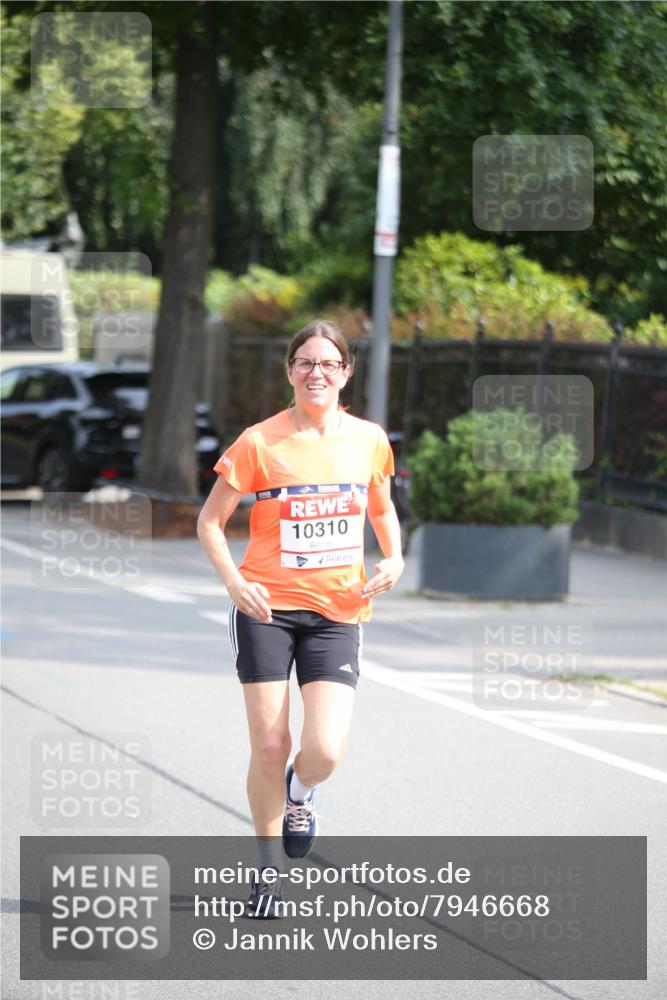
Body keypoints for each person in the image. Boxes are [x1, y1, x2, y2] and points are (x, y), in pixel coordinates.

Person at [197, 319, 404, 917]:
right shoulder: (259, 442)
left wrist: (394, 558)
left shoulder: (368, 439)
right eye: (306, 363)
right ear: (289, 371)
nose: (318, 373)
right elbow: (210, 521)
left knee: (326, 748)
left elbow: (383, 510)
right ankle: (266, 876)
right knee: (268, 744)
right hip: (265, 608)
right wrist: (235, 582)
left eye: (329, 364)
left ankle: (301, 790)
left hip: (339, 611)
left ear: (346, 373)